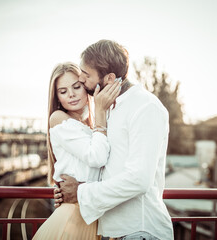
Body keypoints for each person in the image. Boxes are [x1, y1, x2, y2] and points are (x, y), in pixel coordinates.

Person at [55, 40, 174, 239]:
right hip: (119, 231)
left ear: (109, 78)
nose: (81, 79)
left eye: (87, 74)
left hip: (141, 230)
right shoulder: (110, 106)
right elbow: (110, 168)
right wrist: (68, 188)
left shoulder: (145, 107)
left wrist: (81, 193)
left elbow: (139, 180)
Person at [32, 62, 121, 240]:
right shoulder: (58, 119)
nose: (71, 94)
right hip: (71, 219)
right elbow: (96, 157)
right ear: (57, 97)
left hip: (89, 218)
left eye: (76, 87)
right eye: (63, 91)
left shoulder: (92, 128)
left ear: (86, 87)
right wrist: (101, 111)